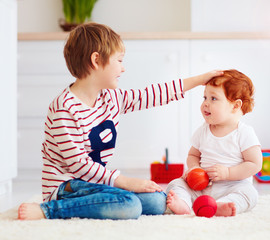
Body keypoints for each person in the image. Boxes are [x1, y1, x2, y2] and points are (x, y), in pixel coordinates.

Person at [17, 22, 223, 220]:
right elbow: (79, 164)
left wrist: (198, 80)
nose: (123, 68)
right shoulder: (64, 108)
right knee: (129, 205)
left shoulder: (110, 97)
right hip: (67, 187)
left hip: (95, 183)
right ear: (96, 60)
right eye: (119, 60)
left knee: (158, 201)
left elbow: (149, 95)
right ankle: (49, 210)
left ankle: (111, 199)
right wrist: (124, 181)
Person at [166, 69, 262, 217]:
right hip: (201, 187)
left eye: (213, 99)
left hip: (232, 186)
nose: (205, 103)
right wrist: (194, 169)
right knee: (176, 184)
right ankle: (184, 204)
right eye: (205, 97)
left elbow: (255, 164)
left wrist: (228, 173)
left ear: (235, 105)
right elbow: (193, 155)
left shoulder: (244, 133)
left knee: (250, 193)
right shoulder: (203, 130)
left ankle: (220, 206)